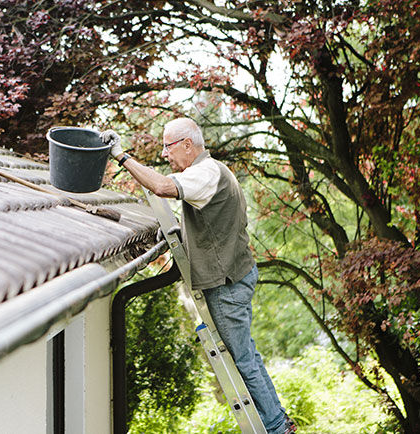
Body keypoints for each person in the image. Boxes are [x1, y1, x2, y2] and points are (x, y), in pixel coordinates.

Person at [101, 118, 296, 434]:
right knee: (247, 354)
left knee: (241, 359)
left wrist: (120, 156)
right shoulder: (213, 170)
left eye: (168, 146)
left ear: (187, 145)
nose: (165, 154)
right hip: (235, 276)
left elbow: (163, 187)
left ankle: (275, 427)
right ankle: (278, 420)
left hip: (225, 283)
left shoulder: (205, 174)